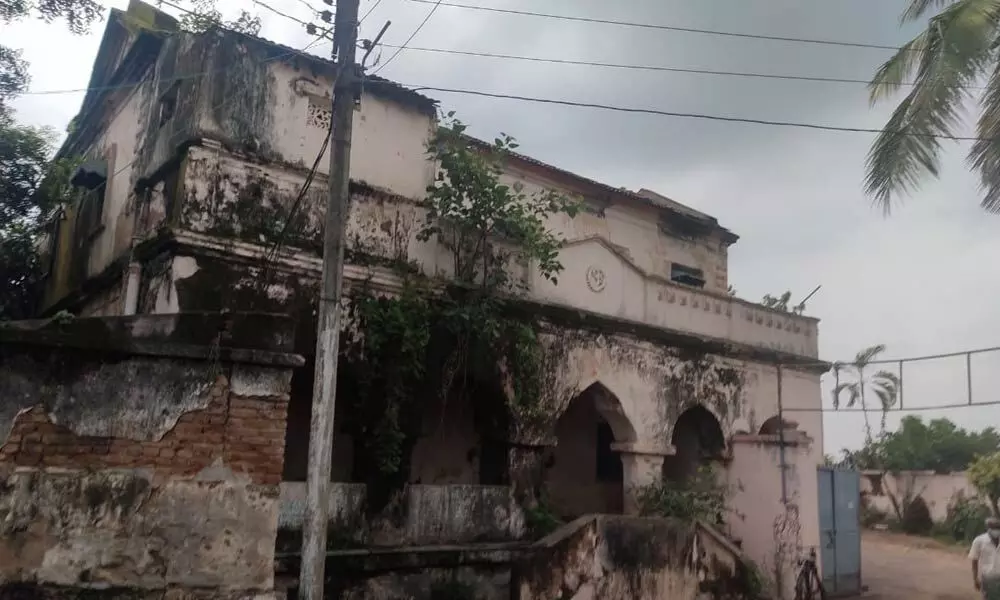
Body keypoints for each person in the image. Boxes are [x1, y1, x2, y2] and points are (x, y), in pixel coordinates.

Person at [971, 517, 1000, 599]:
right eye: (993, 527)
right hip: (988, 579)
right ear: (988, 528)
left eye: (998, 527)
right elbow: (974, 560)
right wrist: (975, 578)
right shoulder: (979, 541)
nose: (996, 530)